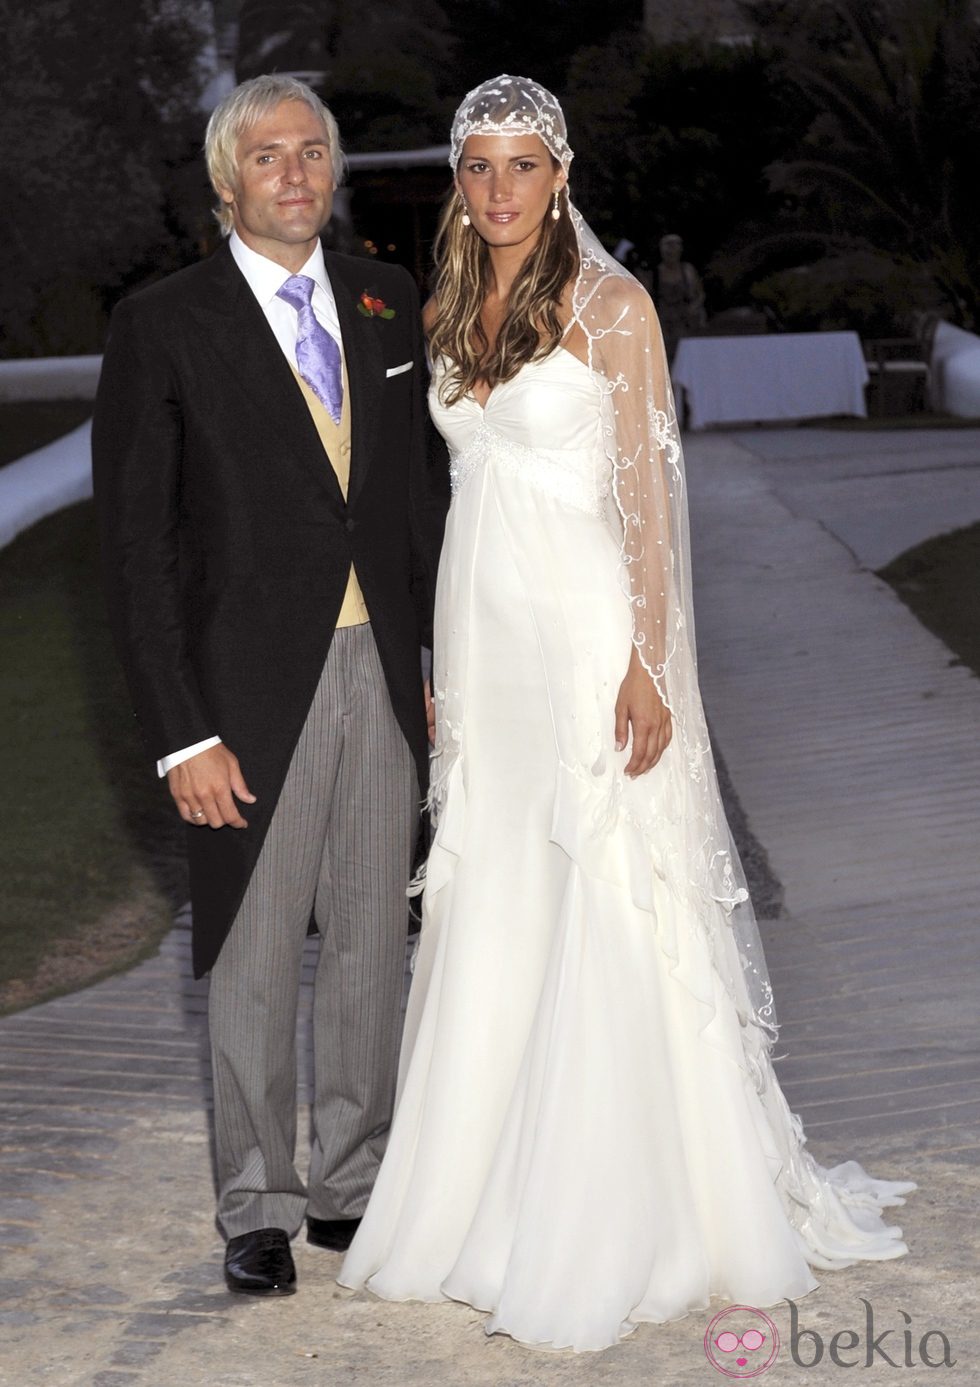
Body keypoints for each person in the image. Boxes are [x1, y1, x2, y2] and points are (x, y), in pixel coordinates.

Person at [338, 75, 914, 1352]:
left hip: (589, 629)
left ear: (560, 175)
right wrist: (432, 654)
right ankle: (475, 1191)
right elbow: (446, 498)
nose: (497, 192)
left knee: (606, 883)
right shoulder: (442, 304)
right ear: (458, 178)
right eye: (476, 168)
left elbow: (649, 495)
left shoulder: (613, 305)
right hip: (484, 645)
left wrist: (649, 663)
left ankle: (629, 1205)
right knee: (495, 882)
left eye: (520, 168)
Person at [92, 75, 447, 1297]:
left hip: (380, 675)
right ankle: (256, 1200)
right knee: (248, 949)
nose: (293, 174)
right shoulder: (164, 323)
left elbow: (416, 508)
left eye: (311, 152)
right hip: (242, 694)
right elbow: (138, 550)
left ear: (333, 169)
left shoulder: (387, 299)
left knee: (368, 945)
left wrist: (437, 670)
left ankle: (351, 1185)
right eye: (266, 158)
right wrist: (180, 734)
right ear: (225, 181)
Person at [656, 231, 706, 361]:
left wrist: (693, 308)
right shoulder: (656, 273)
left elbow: (700, 295)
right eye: (668, 247)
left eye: (675, 247)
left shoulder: (687, 270)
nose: (671, 251)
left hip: (684, 322)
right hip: (663, 322)